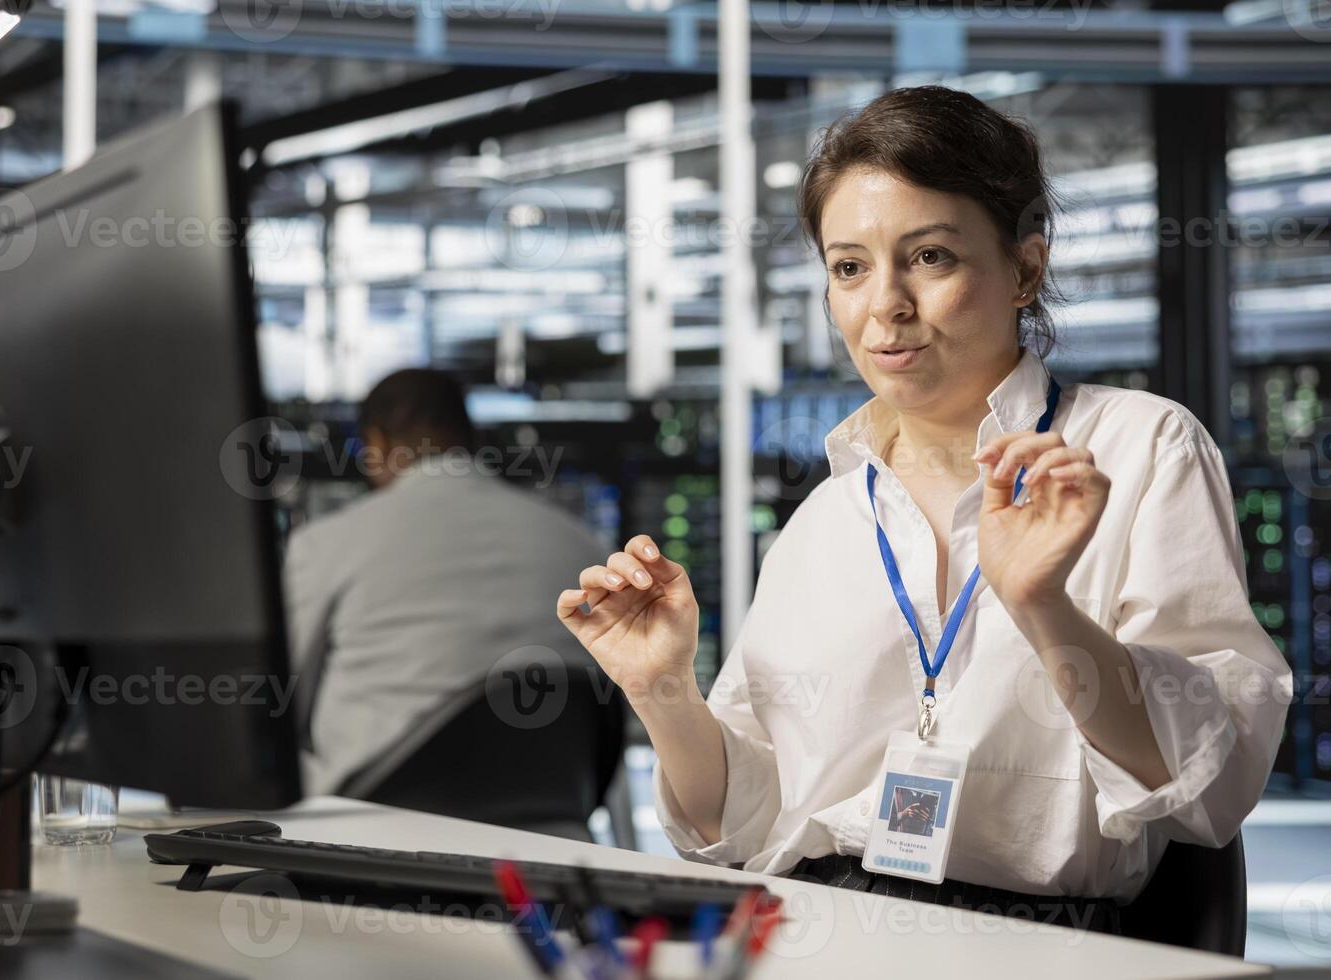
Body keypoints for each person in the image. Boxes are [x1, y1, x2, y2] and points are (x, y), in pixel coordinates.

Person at [556, 85, 1292, 934]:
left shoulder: (1138, 448)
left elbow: (1209, 786)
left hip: (1041, 944)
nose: (885, 306)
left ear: (1025, 269)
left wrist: (1044, 608)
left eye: (931, 257)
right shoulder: (825, 519)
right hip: (824, 928)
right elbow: (739, 828)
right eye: (849, 267)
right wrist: (662, 692)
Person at [287, 368, 606, 796]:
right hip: (554, 817)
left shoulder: (327, 543)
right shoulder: (583, 545)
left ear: (375, 443)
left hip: (372, 823)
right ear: (468, 437)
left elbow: (279, 705)